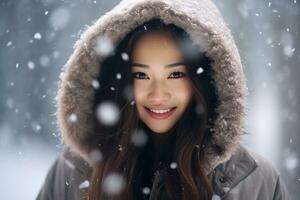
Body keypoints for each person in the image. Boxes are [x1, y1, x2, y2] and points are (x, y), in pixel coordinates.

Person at [36, 0, 291, 200]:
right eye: (142, 74)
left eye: (175, 74)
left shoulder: (255, 181)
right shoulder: (73, 171)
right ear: (121, 79)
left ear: (206, 81)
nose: (158, 94)